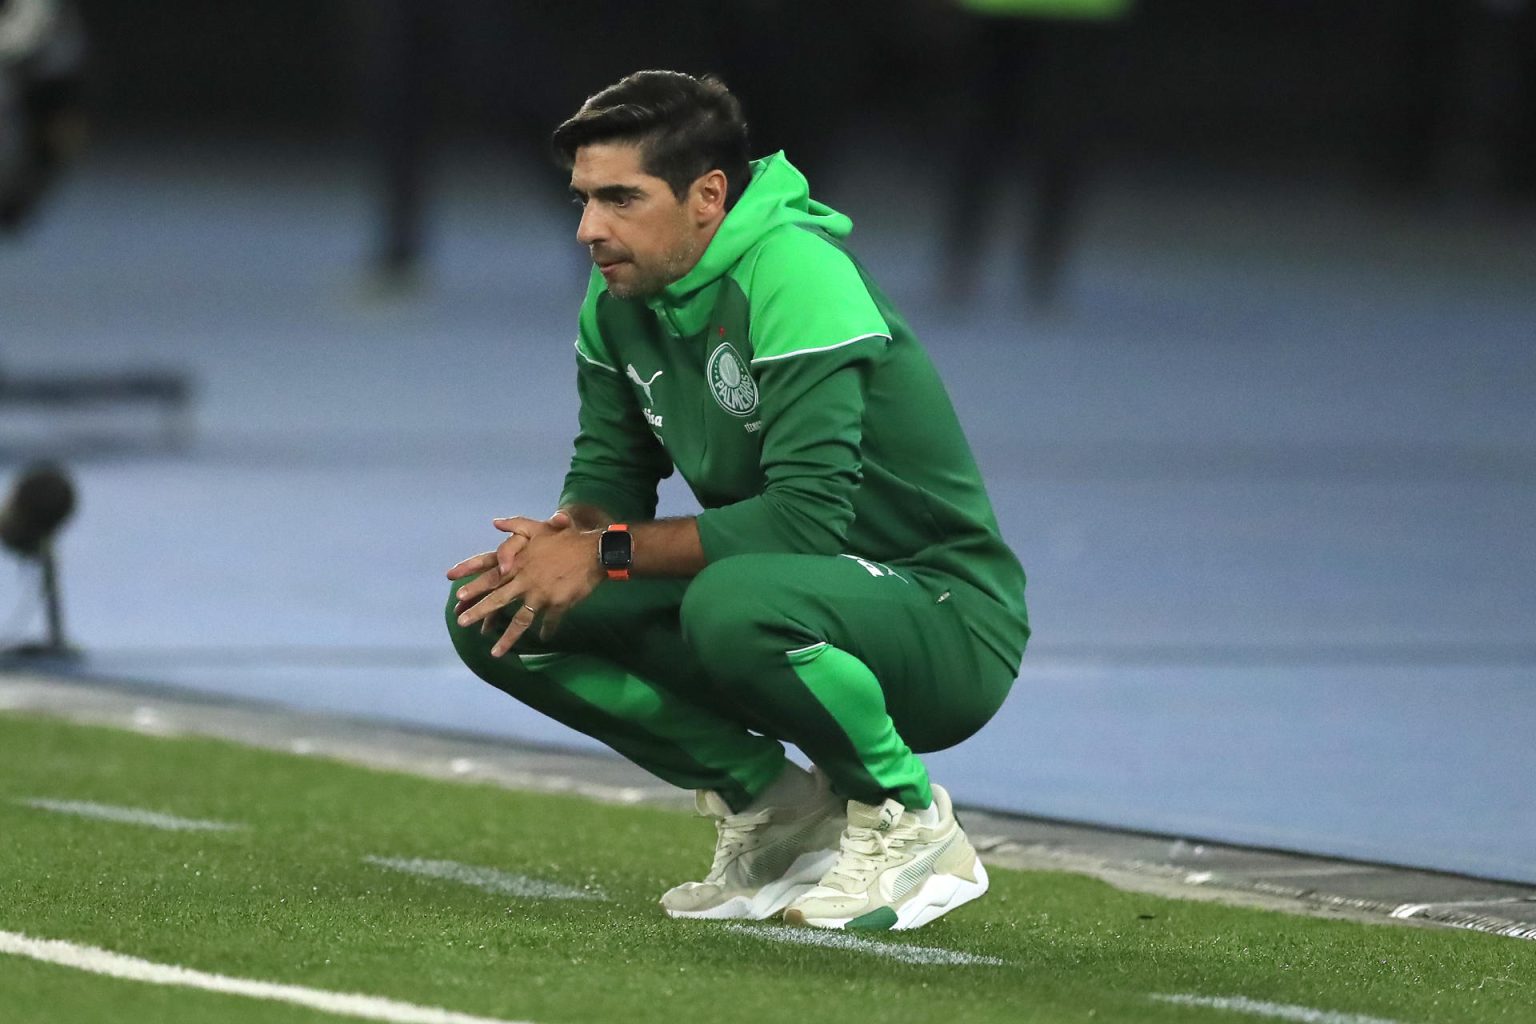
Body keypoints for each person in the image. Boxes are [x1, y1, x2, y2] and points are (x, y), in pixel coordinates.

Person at [445, 70, 1029, 932]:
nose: (588, 229)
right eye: (582, 200)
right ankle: (777, 810)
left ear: (708, 195)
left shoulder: (796, 272)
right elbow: (610, 472)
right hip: (789, 592)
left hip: (942, 619)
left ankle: (907, 818)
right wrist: (569, 534)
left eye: (619, 198)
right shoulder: (621, 296)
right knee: (497, 610)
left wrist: (604, 554)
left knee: (733, 603)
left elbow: (803, 520)